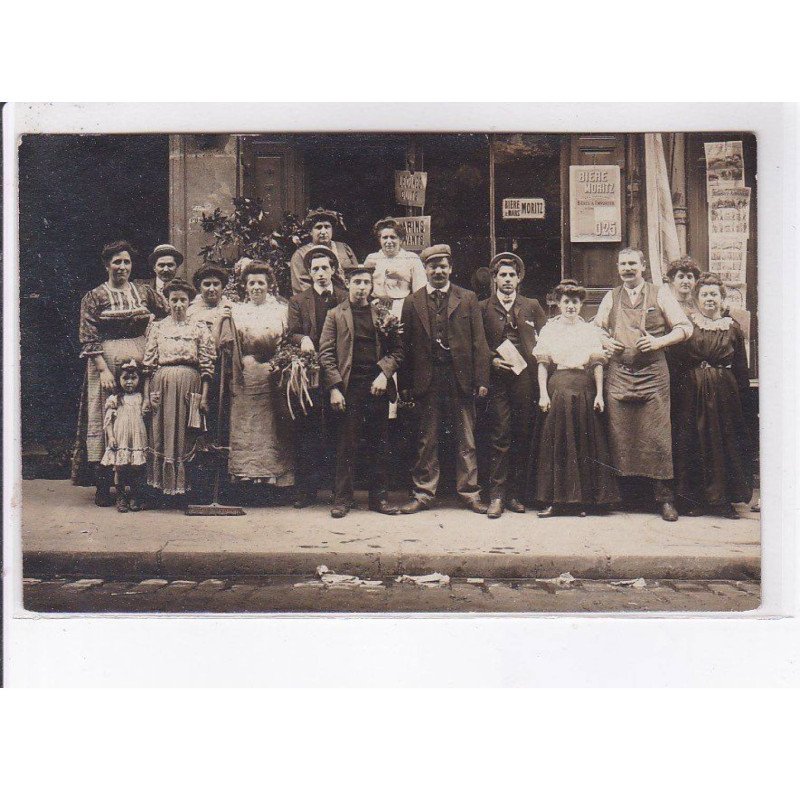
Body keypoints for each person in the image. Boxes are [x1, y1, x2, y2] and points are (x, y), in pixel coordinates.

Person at [594, 247, 693, 521]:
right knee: (620, 434)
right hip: (619, 374)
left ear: (643, 266)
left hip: (653, 374)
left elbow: (685, 328)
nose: (627, 269)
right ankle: (625, 497)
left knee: (657, 435)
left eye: (632, 264)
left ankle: (665, 499)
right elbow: (595, 327)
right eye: (623, 264)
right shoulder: (611, 296)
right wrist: (605, 340)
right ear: (617, 268)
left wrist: (658, 342)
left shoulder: (660, 293)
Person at [72, 240, 166, 506]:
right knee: (107, 415)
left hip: (141, 358)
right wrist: (103, 370)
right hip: (106, 362)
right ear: (107, 265)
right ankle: (104, 484)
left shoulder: (144, 292)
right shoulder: (94, 297)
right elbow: (88, 336)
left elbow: (167, 314)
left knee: (139, 416)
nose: (122, 267)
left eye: (126, 262)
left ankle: (139, 485)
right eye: (117, 262)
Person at [398, 244, 491, 514]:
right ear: (425, 270)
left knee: (467, 437)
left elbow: (479, 343)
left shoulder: (468, 298)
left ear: (451, 269)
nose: (438, 271)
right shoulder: (412, 301)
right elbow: (405, 346)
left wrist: (482, 379)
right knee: (427, 439)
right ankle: (424, 492)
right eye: (433, 266)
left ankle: (469, 492)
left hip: (460, 377)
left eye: (443, 266)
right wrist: (405, 385)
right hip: (427, 379)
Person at [319, 261, 404, 518]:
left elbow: (398, 351)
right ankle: (343, 499)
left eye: (366, 282)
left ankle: (379, 499)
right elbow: (326, 354)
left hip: (376, 386)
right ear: (348, 284)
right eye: (357, 282)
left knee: (380, 442)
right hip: (349, 387)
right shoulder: (335, 314)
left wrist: (384, 373)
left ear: (372, 285)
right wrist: (334, 388)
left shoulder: (382, 314)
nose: (362, 287)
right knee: (347, 443)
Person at [529, 280, 620, 516]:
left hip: (583, 388)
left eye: (576, 302)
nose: (571, 306)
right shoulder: (550, 329)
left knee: (582, 443)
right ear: (559, 304)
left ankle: (582, 501)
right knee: (557, 443)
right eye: (566, 302)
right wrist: (542, 394)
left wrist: (599, 394)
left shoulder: (588, 329)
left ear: (581, 304)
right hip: (558, 387)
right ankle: (555, 501)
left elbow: (597, 363)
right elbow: (542, 364)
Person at [672, 273, 753, 518]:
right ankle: (696, 500)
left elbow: (740, 365)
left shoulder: (732, 328)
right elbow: (677, 362)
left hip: (724, 391)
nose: (709, 299)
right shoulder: (689, 325)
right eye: (704, 294)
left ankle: (724, 501)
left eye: (713, 294)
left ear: (722, 298)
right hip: (692, 391)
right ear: (697, 298)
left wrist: (743, 395)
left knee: (724, 441)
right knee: (694, 441)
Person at [479, 252, 547, 519]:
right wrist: (492, 360)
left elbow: (546, 340)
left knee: (522, 432)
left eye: (511, 275)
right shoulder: (483, 307)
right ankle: (496, 495)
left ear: (519, 279)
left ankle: (516, 494)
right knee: (500, 433)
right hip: (497, 380)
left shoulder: (531, 306)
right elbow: (477, 342)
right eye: (502, 275)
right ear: (494, 279)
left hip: (525, 379)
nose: (507, 280)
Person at [287, 245, 348, 508]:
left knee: (340, 429)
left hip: (340, 369)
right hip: (312, 372)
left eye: (325, 268)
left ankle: (340, 490)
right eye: (315, 269)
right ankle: (306, 489)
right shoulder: (299, 301)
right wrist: (303, 340)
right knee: (308, 429)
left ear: (333, 270)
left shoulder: (345, 297)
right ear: (309, 273)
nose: (320, 273)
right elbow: (292, 332)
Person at [143, 278, 215, 497]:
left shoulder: (199, 328)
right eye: (174, 300)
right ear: (168, 301)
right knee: (161, 434)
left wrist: (204, 397)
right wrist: (147, 397)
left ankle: (186, 490)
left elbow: (207, 364)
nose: (178, 305)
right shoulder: (157, 328)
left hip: (190, 385)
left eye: (183, 300)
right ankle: (160, 490)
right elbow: (148, 365)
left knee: (187, 435)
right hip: (162, 385)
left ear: (189, 301)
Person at [227, 261, 295, 488]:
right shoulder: (237, 311)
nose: (256, 287)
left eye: (261, 283)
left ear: (269, 285)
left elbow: (286, 340)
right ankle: (247, 478)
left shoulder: (280, 309)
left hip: (272, 371)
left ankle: (273, 479)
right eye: (252, 283)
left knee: (272, 424)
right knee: (247, 424)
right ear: (245, 286)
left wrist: (279, 363)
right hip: (246, 373)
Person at [100, 359, 148, 513]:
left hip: (136, 437)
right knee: (120, 468)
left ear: (139, 379)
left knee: (136, 468)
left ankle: (135, 496)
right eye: (125, 378)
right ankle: (120, 496)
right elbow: (108, 421)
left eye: (133, 378)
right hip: (120, 436)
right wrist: (111, 437)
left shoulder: (141, 398)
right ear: (118, 379)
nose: (129, 382)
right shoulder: (115, 399)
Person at [290, 208, 358, 293]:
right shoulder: (301, 255)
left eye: (327, 227)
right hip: (318, 301)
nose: (323, 231)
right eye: (318, 227)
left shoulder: (344, 248)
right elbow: (303, 288)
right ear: (310, 232)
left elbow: (357, 275)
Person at [136, 244, 184, 316]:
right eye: (161, 265)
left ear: (176, 267)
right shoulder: (142, 286)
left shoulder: (184, 288)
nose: (165, 270)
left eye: (170, 265)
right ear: (154, 268)